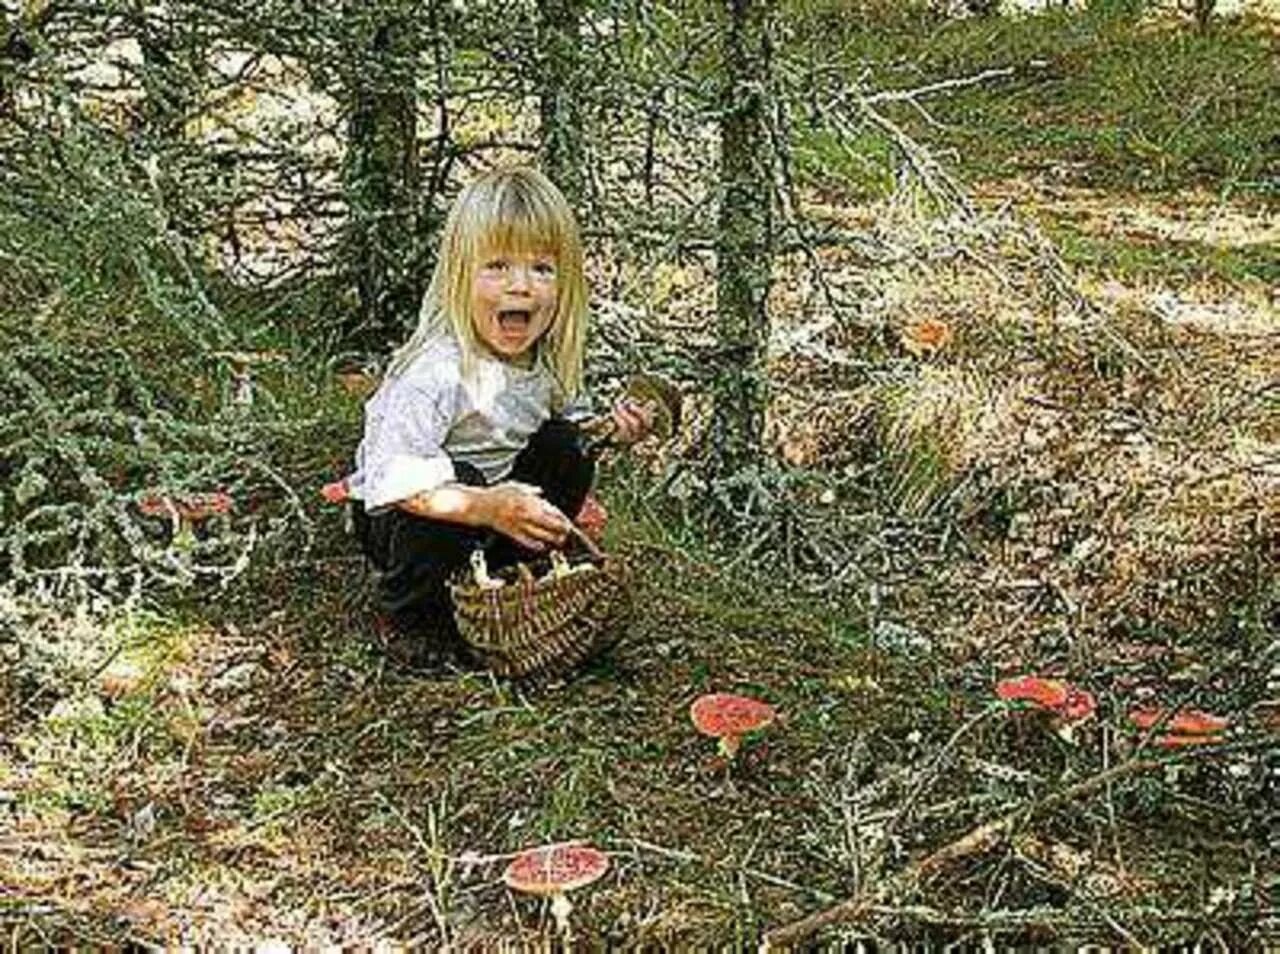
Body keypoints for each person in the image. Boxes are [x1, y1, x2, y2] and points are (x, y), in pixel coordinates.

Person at [347, 166, 652, 660]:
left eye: (542, 269)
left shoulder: (545, 361)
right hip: (409, 519)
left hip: (496, 506)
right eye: (498, 267)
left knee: (566, 444)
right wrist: (484, 505)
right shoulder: (437, 371)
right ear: (459, 275)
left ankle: (508, 571)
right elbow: (393, 481)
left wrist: (615, 431)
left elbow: (576, 427)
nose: (521, 287)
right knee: (456, 475)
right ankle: (411, 618)